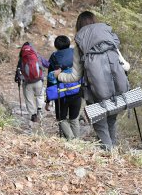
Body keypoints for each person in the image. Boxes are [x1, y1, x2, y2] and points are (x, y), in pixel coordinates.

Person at [54, 11, 130, 150]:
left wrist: (59, 75)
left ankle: (109, 154)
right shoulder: (108, 40)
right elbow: (126, 66)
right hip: (116, 91)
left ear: (79, 26)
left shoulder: (80, 45)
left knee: (101, 126)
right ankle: (114, 153)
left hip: (94, 94)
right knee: (112, 121)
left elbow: (74, 77)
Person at [46, 35, 82, 140]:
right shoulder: (75, 53)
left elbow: (50, 80)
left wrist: (48, 100)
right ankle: (77, 142)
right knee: (74, 118)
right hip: (77, 91)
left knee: (61, 118)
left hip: (61, 94)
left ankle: (71, 139)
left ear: (56, 46)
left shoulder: (54, 57)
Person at [15, 42, 49, 123]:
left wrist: (18, 79)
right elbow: (47, 64)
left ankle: (33, 115)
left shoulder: (22, 59)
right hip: (38, 81)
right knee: (40, 95)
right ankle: (39, 110)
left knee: (29, 99)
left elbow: (18, 71)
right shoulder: (37, 56)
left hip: (27, 83)